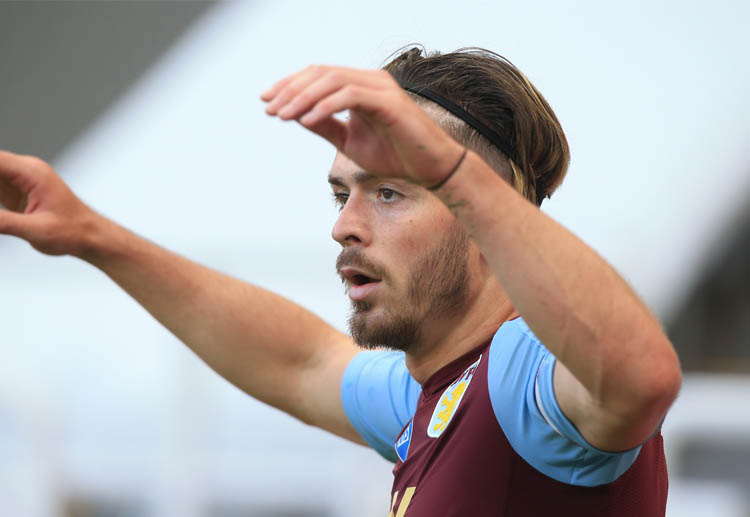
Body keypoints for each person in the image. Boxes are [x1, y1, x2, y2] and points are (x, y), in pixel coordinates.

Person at [0, 47, 681, 516]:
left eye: (389, 192)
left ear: (481, 216)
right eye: (341, 194)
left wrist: (453, 172)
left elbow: (645, 374)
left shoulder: (523, 375)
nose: (344, 226)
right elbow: (301, 361)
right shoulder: (434, 393)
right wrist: (92, 235)